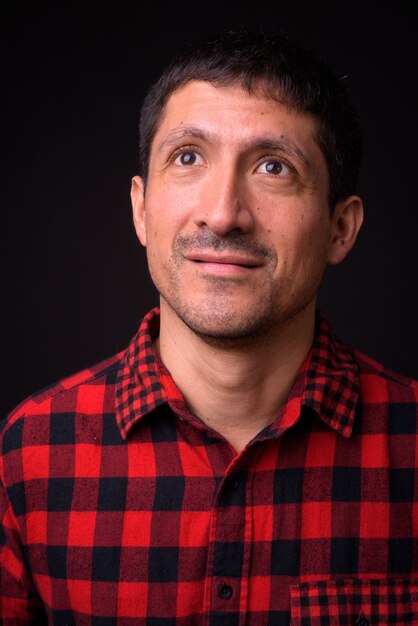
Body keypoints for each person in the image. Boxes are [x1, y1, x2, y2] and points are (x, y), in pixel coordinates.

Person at [1, 26, 417, 626]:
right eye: (188, 157)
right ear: (141, 210)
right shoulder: (28, 456)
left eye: (274, 167)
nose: (223, 213)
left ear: (339, 230)